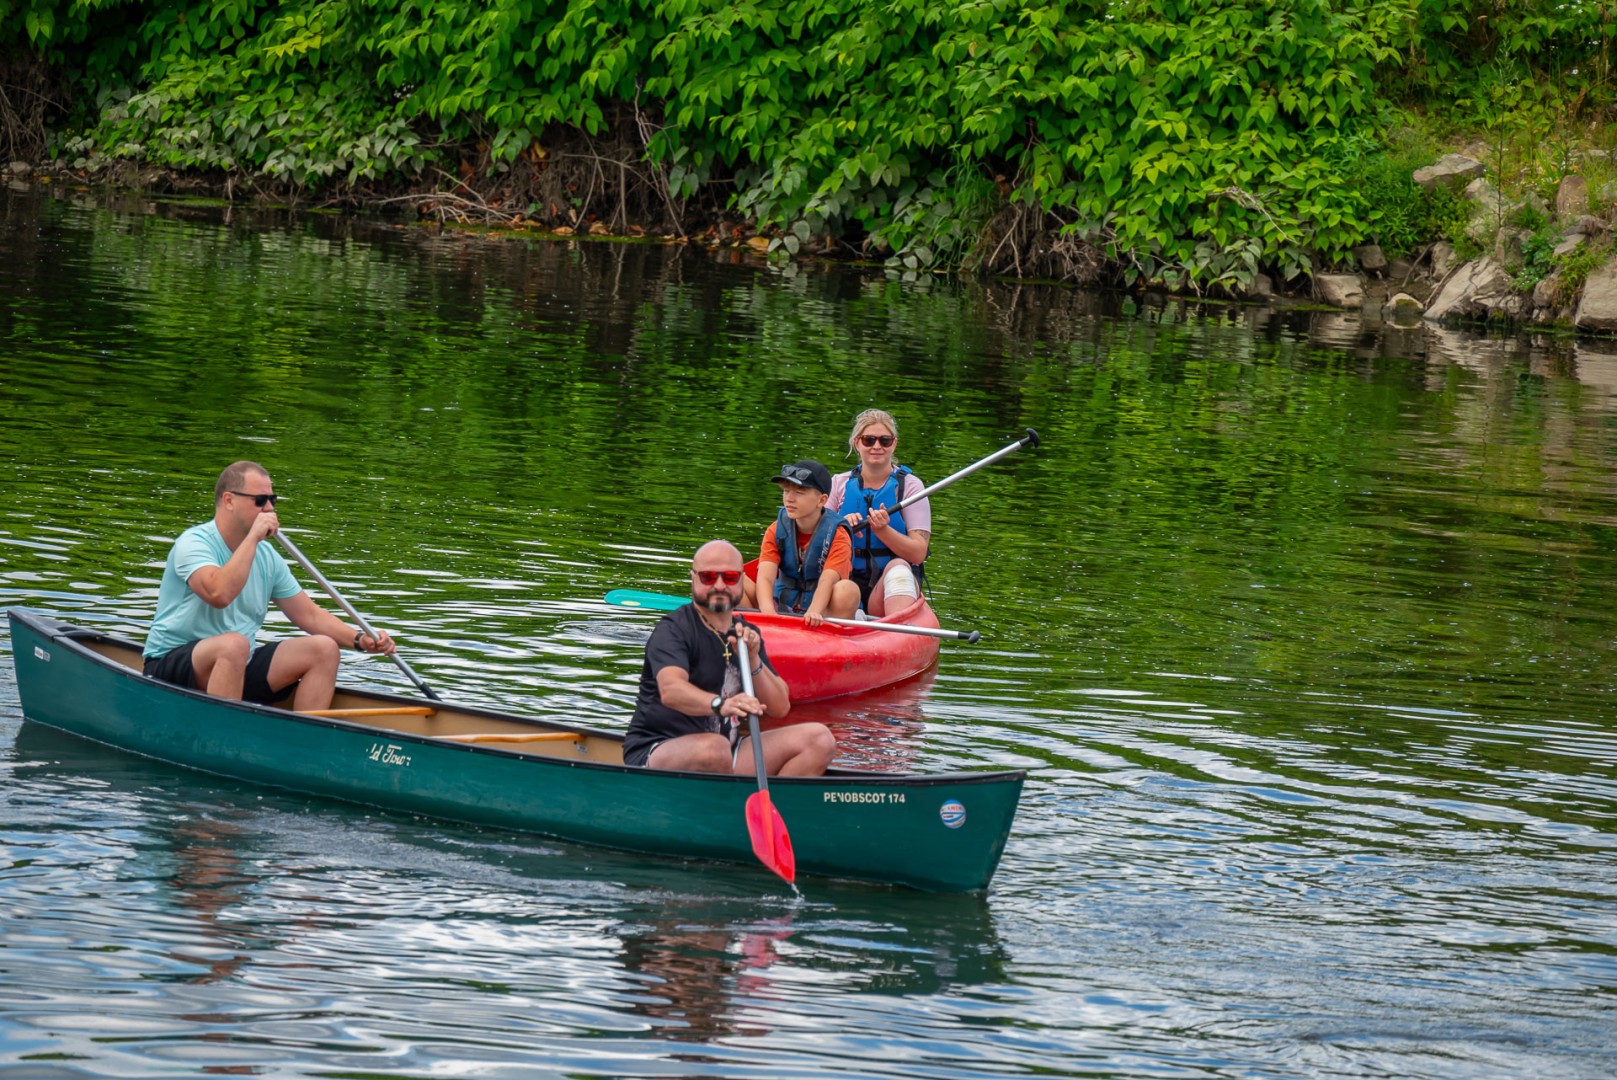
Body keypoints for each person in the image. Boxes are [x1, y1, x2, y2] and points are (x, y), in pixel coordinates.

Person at [142, 461, 397, 712]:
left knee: (324, 648)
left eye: (273, 500)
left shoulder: (267, 557)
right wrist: (253, 537)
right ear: (229, 500)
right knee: (234, 644)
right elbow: (218, 594)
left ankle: (303, 742)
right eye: (260, 500)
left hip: (237, 664)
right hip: (170, 667)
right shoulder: (194, 543)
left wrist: (360, 640)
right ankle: (225, 737)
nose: (269, 508)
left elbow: (309, 615)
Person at [623, 539, 834, 775]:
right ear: (693, 578)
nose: (720, 585)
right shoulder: (673, 630)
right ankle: (729, 804)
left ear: (742, 580)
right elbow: (671, 690)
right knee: (714, 750)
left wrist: (754, 660)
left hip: (727, 751)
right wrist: (721, 705)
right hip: (660, 750)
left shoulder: (745, 633)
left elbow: (780, 707)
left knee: (819, 739)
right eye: (708, 577)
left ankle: (772, 809)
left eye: (730, 578)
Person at [827, 408, 931, 616]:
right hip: (846, 583)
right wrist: (842, 527)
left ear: (894, 444)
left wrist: (883, 531)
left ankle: (895, 631)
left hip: (887, 587)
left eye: (884, 441)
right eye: (868, 440)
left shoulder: (910, 487)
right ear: (857, 443)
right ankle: (852, 618)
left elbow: (918, 553)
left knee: (900, 567)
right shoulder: (838, 483)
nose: (877, 446)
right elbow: (813, 539)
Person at [748, 460, 860, 627]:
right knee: (732, 578)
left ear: (821, 501)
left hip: (821, 612)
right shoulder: (775, 529)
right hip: (781, 604)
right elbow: (765, 577)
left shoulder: (838, 534)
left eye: (799, 492)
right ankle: (744, 631)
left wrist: (814, 611)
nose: (790, 499)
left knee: (848, 589)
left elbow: (827, 581)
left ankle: (825, 638)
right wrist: (767, 611)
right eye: (786, 491)